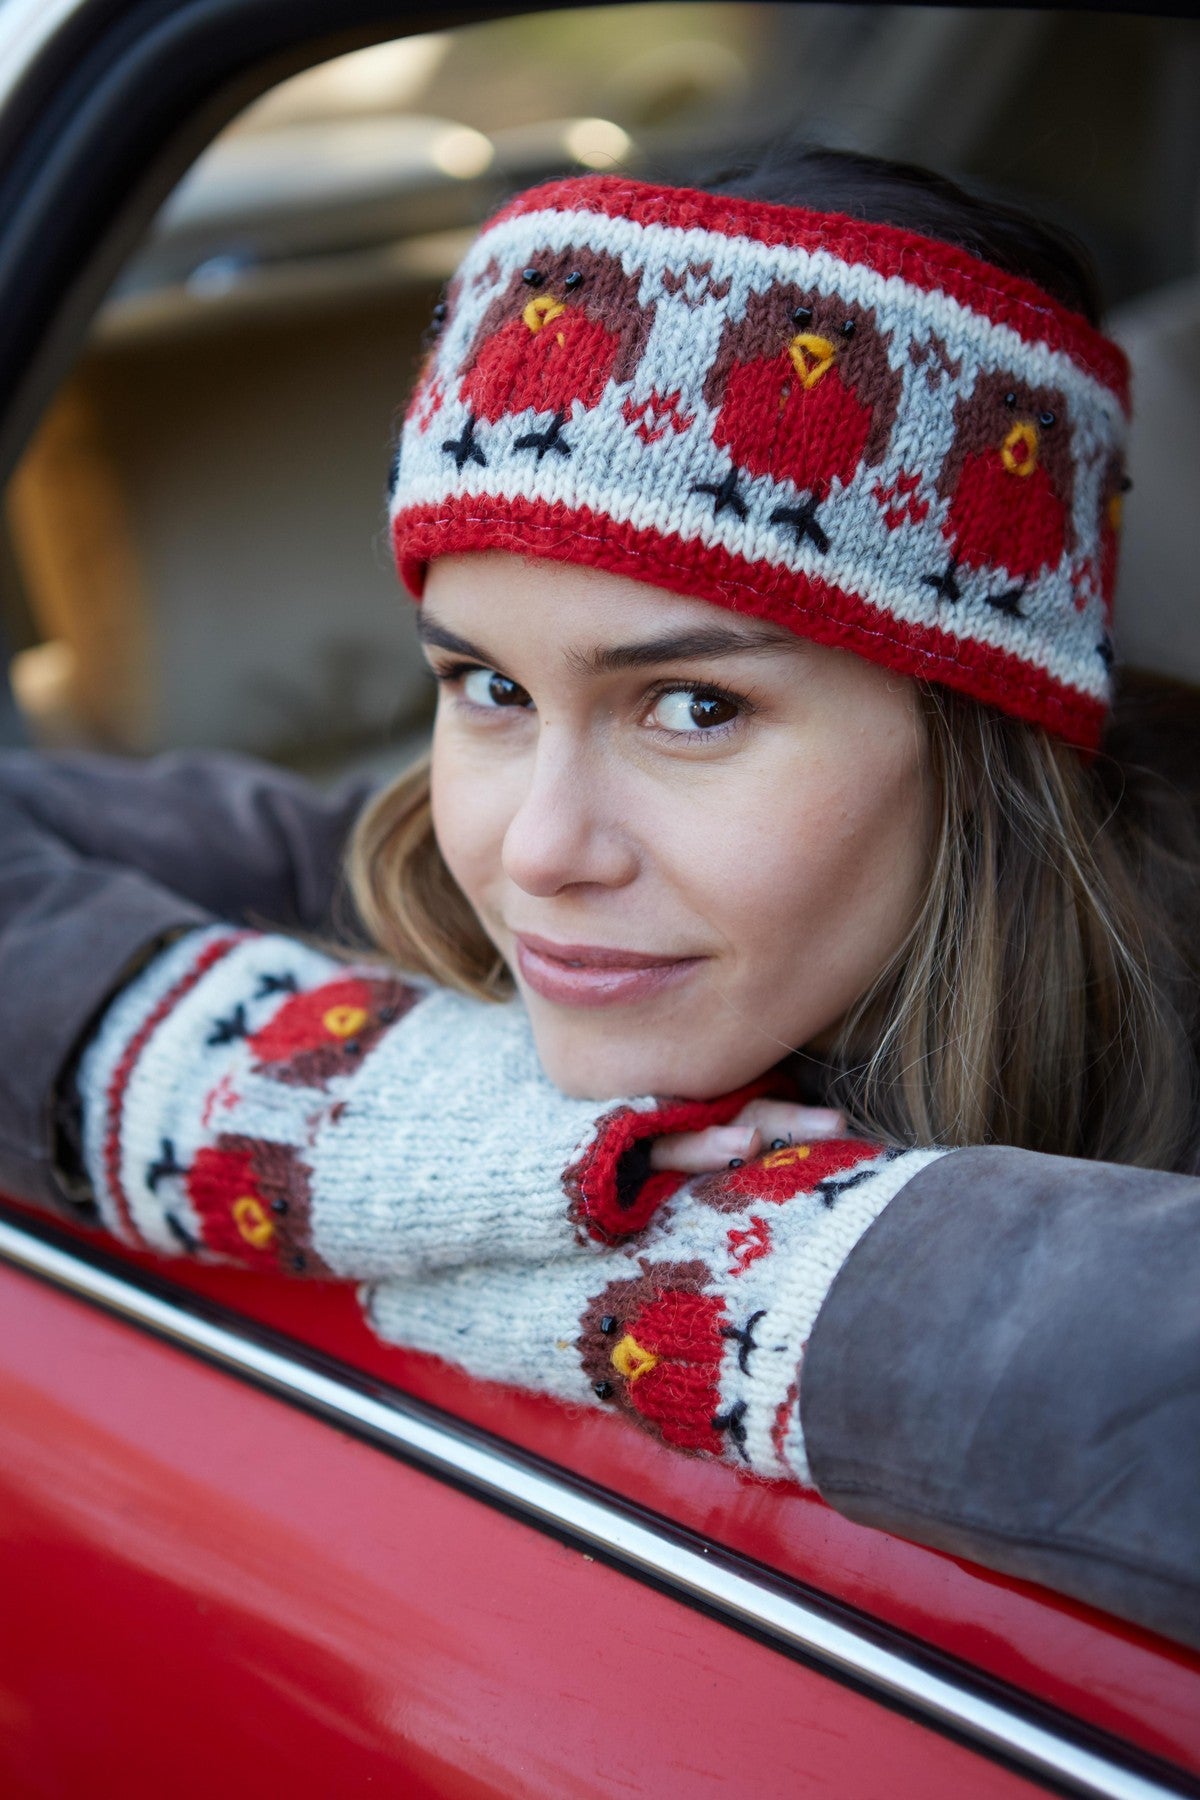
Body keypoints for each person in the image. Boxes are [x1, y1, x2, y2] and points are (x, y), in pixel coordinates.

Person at [1, 146, 1198, 1650]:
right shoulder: (414, 887)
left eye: (692, 707)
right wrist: (425, 1132)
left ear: (981, 742)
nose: (537, 851)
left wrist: (738, 1263)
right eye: (486, 686)